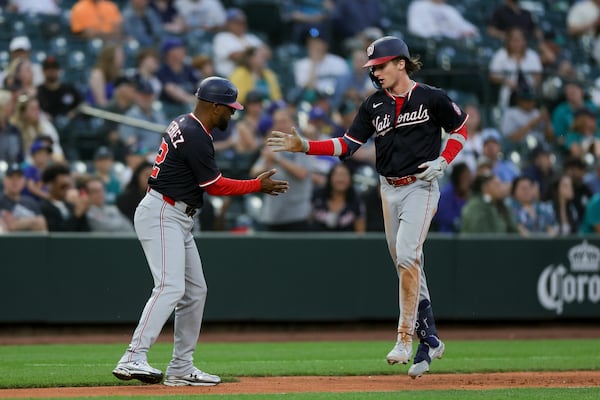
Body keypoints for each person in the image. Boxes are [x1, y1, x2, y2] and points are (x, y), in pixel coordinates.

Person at [267, 36, 469, 378]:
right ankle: (430, 338)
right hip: (388, 188)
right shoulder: (373, 104)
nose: (375, 73)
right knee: (408, 263)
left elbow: (461, 127)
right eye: (372, 68)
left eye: (380, 66)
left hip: (421, 186)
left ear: (400, 63)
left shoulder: (431, 97)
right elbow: (347, 145)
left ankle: (405, 338)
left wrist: (445, 160)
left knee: (407, 257)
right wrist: (305, 147)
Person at [112, 76, 287, 386]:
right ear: (214, 105)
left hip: (176, 214)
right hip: (163, 211)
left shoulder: (186, 123)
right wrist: (256, 185)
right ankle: (133, 356)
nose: (232, 114)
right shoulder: (194, 133)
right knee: (170, 287)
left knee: (195, 292)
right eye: (229, 109)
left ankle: (181, 367)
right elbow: (215, 185)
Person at [251, 107, 313, 231]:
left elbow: (302, 173)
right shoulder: (274, 145)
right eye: (277, 122)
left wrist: (278, 159)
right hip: (272, 215)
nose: (280, 125)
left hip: (296, 215)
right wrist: (266, 165)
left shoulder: (304, 145)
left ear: (293, 124)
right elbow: (254, 172)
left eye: (283, 121)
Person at [310, 162, 366, 232]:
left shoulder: (356, 202)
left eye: (344, 175)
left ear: (351, 179)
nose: (340, 179)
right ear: (330, 178)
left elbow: (360, 234)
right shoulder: (317, 196)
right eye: (337, 175)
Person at [39, 163, 91, 232]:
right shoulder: (43, 208)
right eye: (63, 186)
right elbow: (56, 235)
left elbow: (86, 232)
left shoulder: (71, 206)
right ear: (50, 185)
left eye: (69, 186)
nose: (67, 189)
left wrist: (82, 212)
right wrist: (76, 215)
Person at [0, 163, 48, 233]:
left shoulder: (31, 202)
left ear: (24, 181)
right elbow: (9, 226)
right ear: (4, 180)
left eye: (18, 178)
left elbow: (42, 224)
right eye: (11, 177)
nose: (15, 181)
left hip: (32, 241)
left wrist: (18, 224)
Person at [407, 0, 479, 40]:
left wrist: (469, 32)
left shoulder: (449, 9)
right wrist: (436, 35)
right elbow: (414, 29)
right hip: (431, 44)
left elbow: (468, 27)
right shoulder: (418, 5)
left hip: (453, 43)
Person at [432, 162, 472, 233]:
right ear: (457, 178)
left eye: (469, 178)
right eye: (464, 178)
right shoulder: (445, 196)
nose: (467, 181)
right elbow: (445, 219)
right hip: (445, 237)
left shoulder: (471, 195)